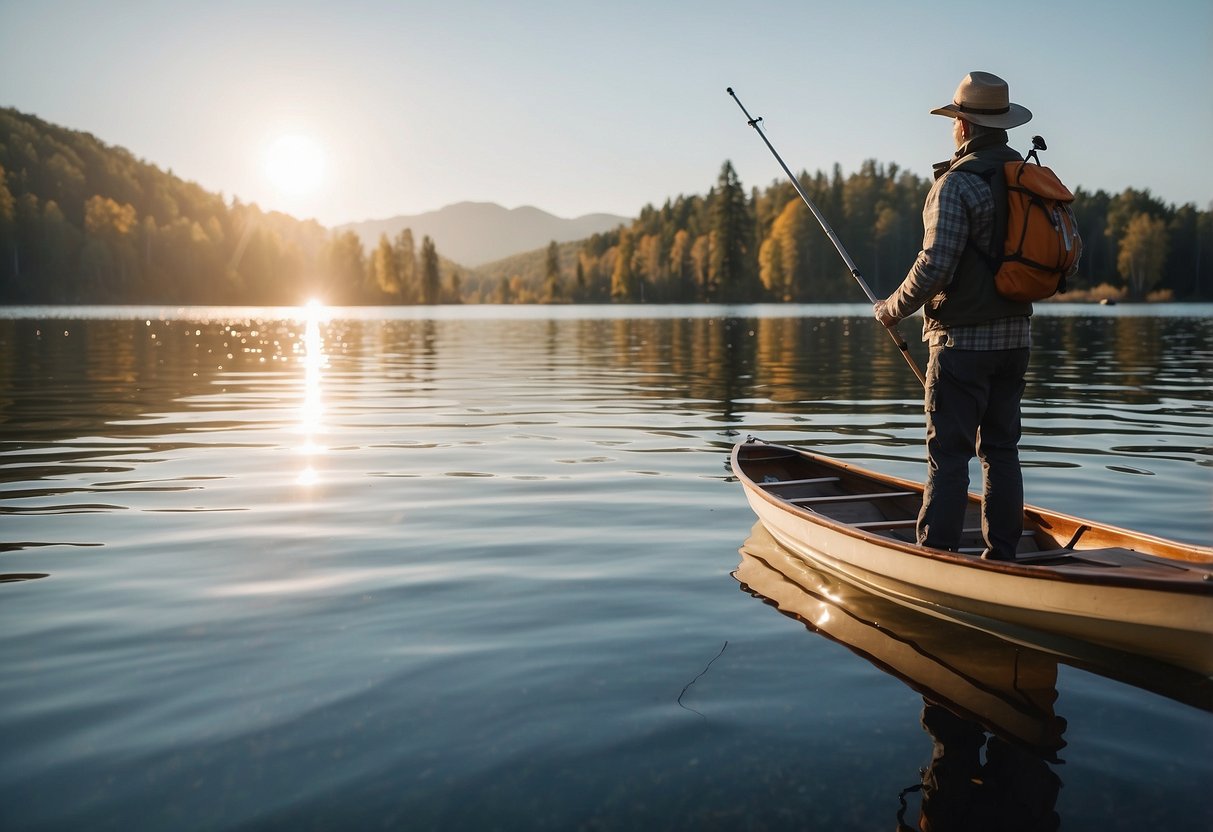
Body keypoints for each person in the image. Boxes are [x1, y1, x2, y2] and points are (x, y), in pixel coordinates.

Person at [874, 71, 1048, 561]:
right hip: (1017, 340)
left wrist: (892, 309)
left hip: (962, 345)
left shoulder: (956, 183)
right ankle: (1004, 556)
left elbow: (935, 264)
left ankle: (939, 558)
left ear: (964, 127)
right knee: (1001, 451)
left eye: (955, 120)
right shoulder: (1030, 180)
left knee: (949, 456)